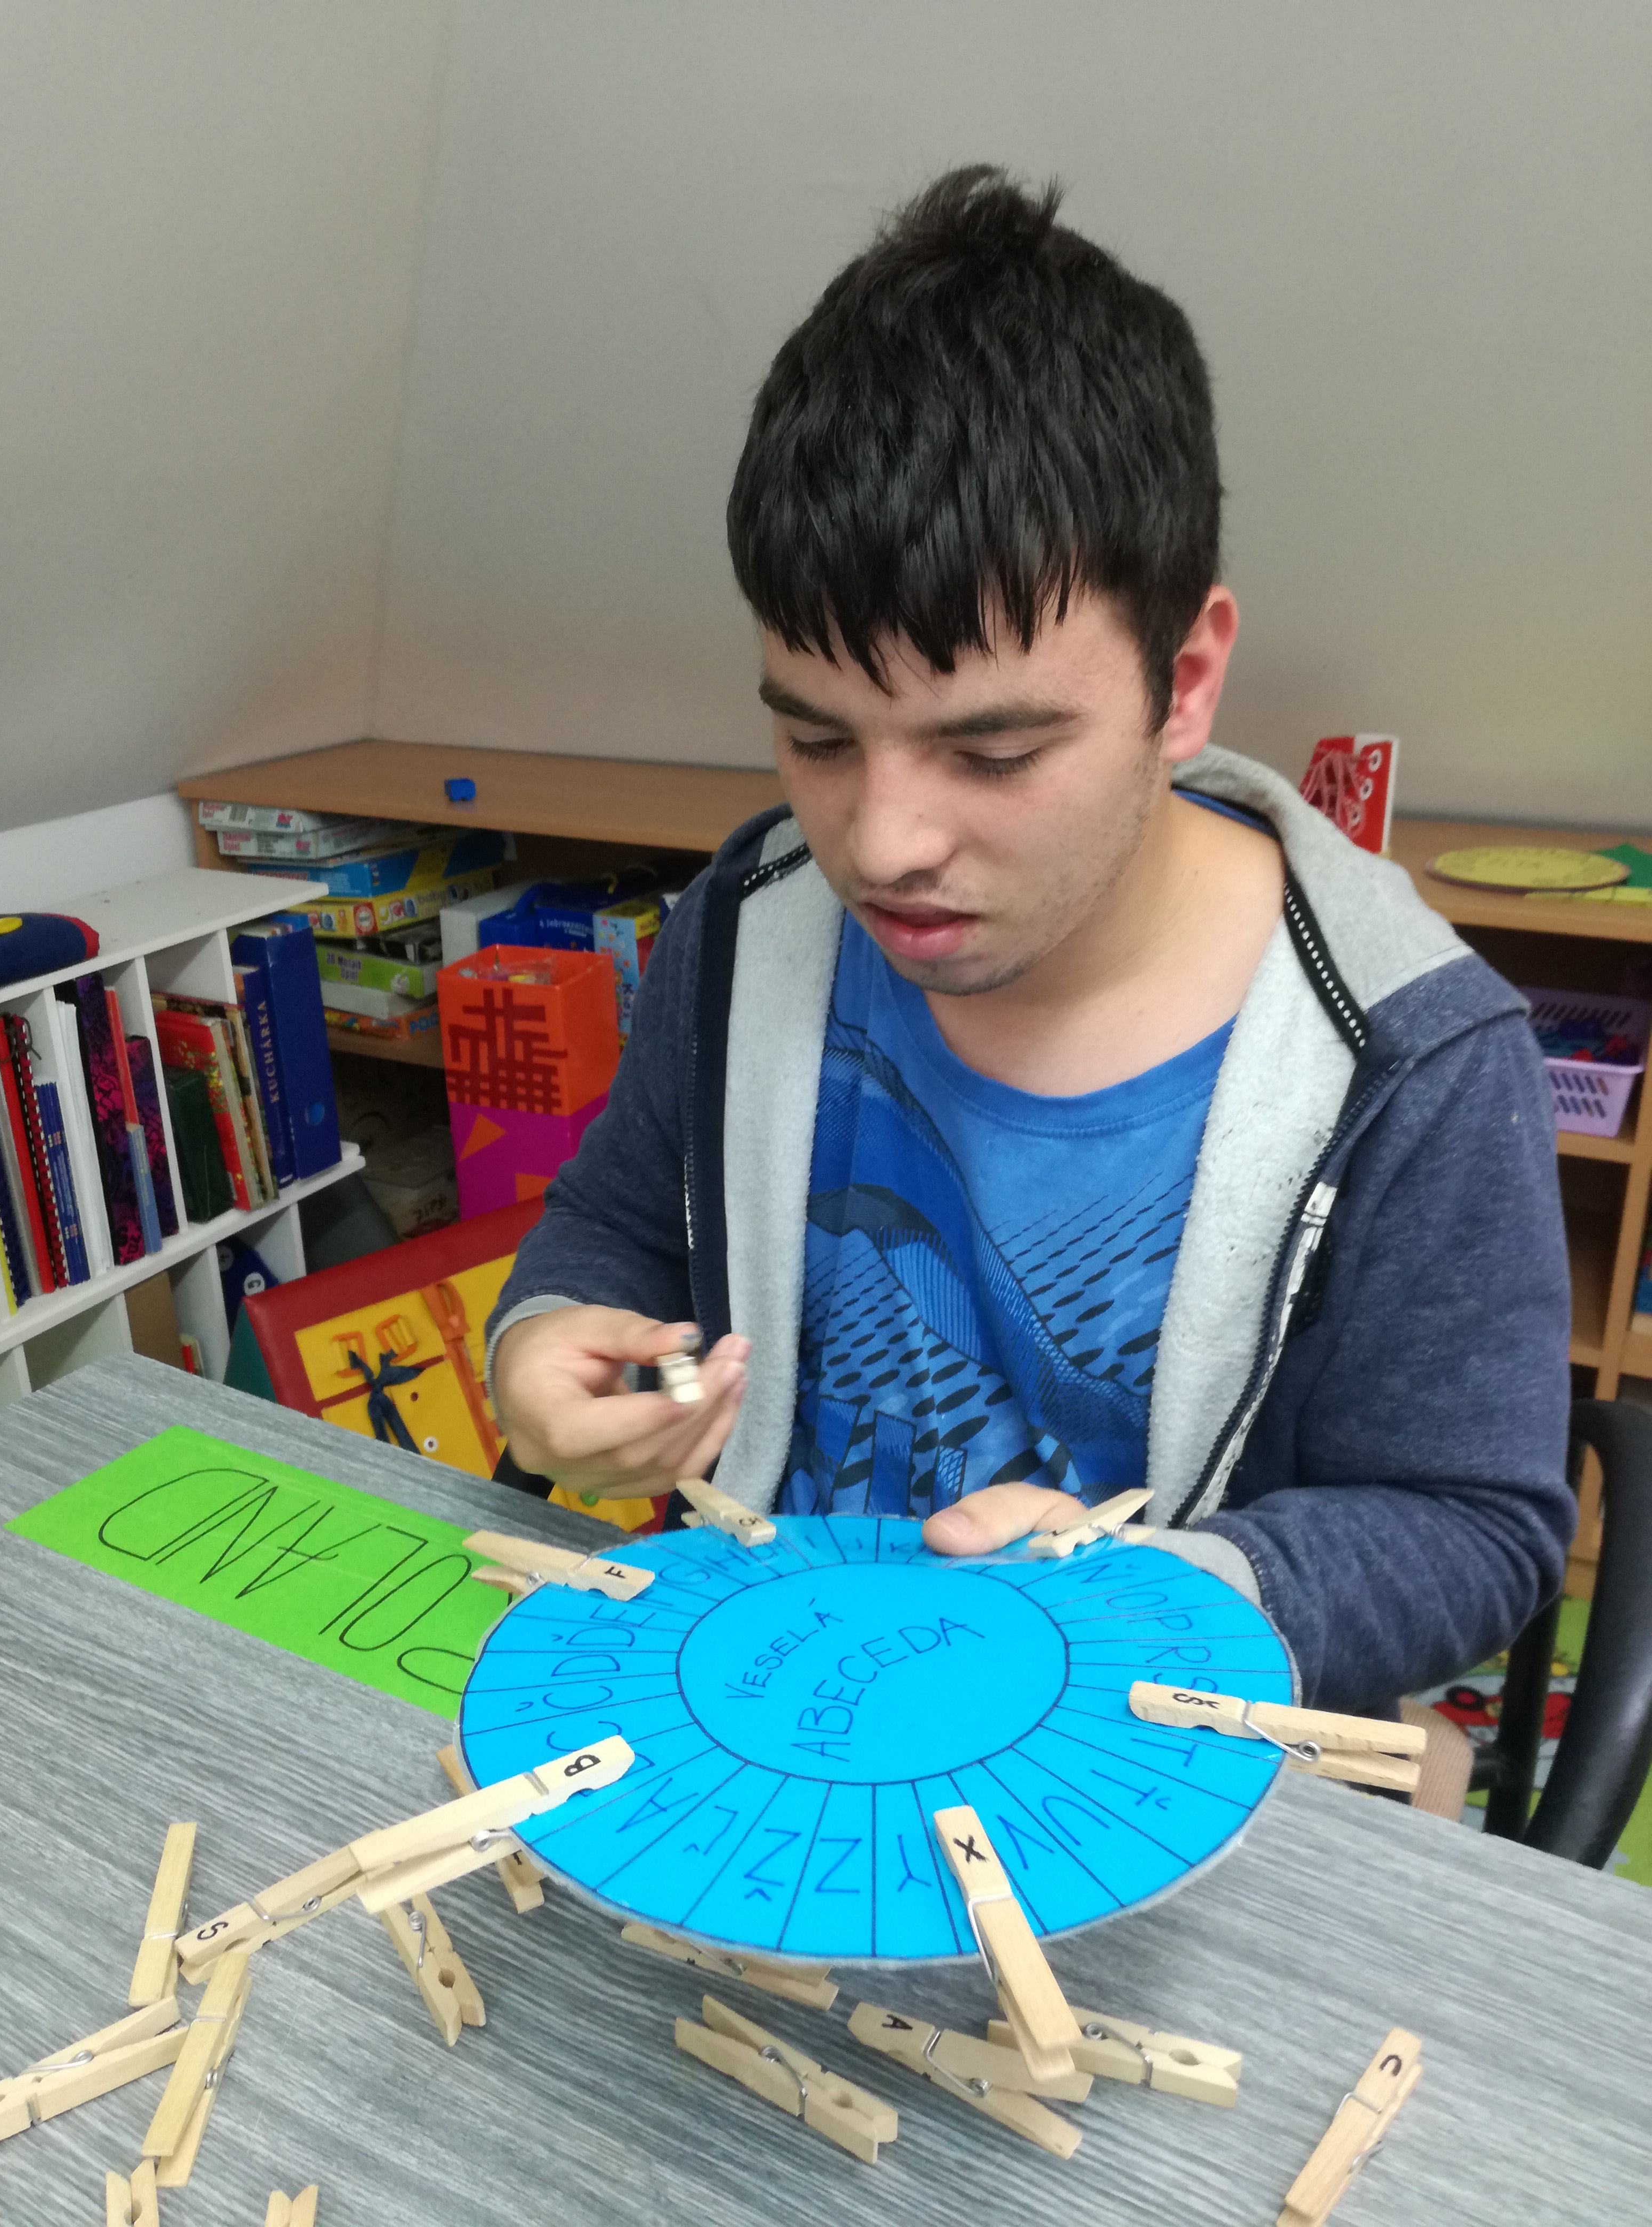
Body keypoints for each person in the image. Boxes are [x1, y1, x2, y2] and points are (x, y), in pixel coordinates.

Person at [485, 166, 1573, 1713]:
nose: (881, 845)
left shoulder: (1412, 1063)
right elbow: (618, 1224)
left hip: (1155, 1754)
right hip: (787, 1706)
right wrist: (547, 1348)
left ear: (1184, 682)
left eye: (993, 754)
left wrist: (1173, 1596)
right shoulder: (749, 927)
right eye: (818, 739)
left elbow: (1472, 1526)